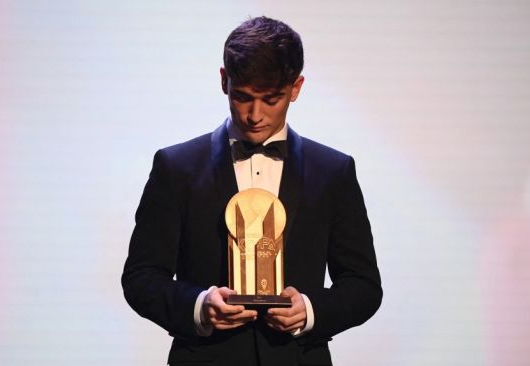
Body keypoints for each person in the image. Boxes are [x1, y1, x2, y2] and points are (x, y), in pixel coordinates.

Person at [122, 16, 382, 366]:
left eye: (271, 99)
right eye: (242, 97)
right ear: (224, 80)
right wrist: (200, 306)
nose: (255, 115)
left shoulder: (333, 171)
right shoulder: (176, 167)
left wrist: (310, 311)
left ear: (296, 87)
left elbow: (364, 285)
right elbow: (141, 278)